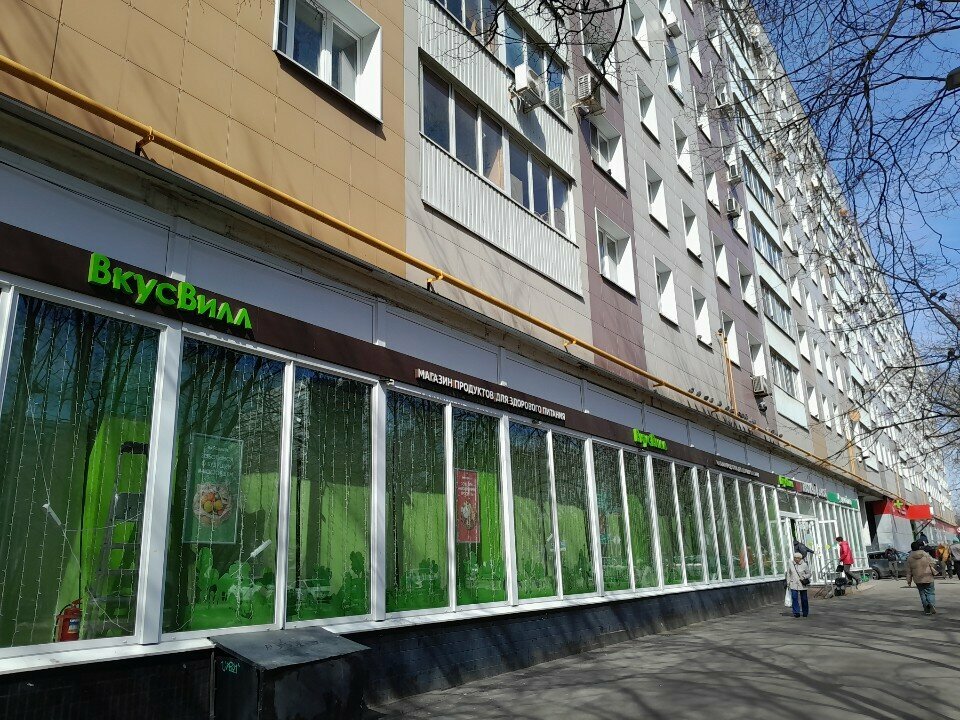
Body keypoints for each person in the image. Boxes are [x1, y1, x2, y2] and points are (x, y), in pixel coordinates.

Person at [906, 539, 939, 614]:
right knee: (930, 592)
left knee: (922, 593)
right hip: (928, 576)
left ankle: (927, 609)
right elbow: (933, 562)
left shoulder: (909, 557)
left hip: (918, 578)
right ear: (919, 547)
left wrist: (909, 581)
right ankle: (931, 604)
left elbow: (908, 571)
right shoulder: (925, 554)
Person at [786, 552, 812, 617]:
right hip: (793, 583)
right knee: (794, 597)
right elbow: (788, 574)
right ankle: (796, 612)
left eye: (798, 558)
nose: (796, 559)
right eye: (795, 558)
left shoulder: (804, 565)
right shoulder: (791, 564)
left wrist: (804, 576)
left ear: (800, 558)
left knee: (804, 599)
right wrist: (788, 582)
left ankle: (805, 612)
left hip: (802, 584)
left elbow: (809, 574)